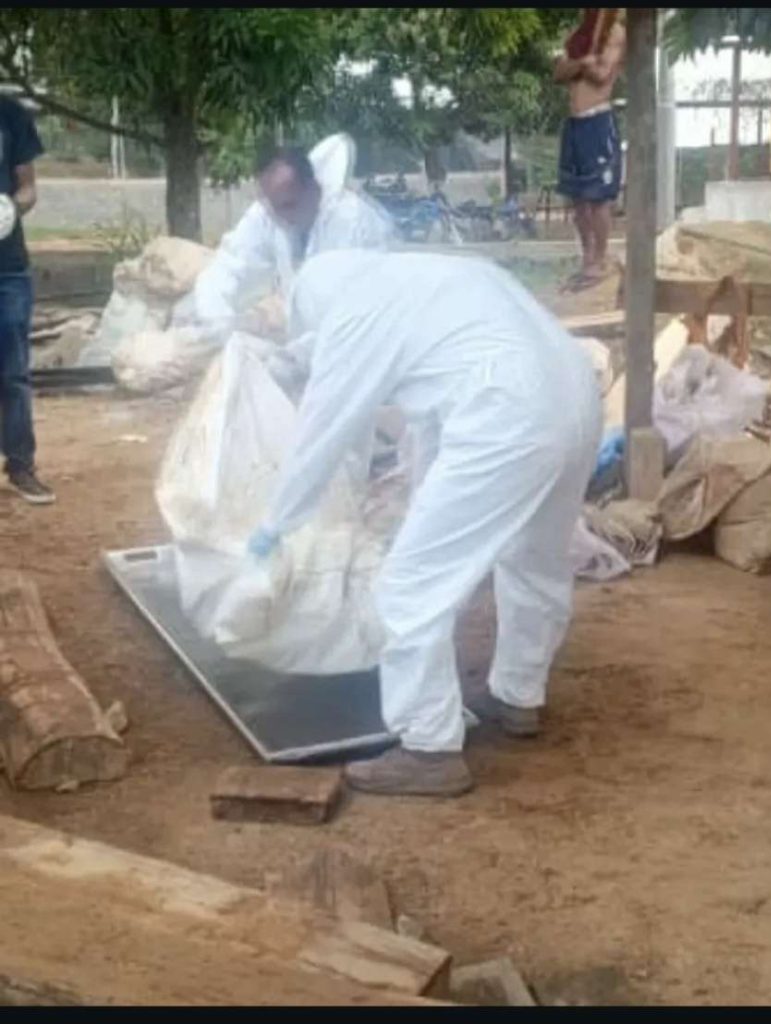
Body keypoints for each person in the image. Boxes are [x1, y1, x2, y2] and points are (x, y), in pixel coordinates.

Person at [246, 251, 603, 797]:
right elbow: (437, 423)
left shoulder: (358, 313)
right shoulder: (432, 279)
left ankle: (428, 748)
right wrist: (424, 510)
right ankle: (519, 694)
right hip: (575, 396)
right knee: (536, 559)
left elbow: (323, 434)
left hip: (505, 409)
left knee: (410, 588)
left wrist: (274, 525)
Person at [191, 135, 395, 336]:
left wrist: (273, 328)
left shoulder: (353, 221)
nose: (282, 216)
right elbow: (227, 268)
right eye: (274, 206)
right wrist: (218, 325)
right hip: (305, 342)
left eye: (289, 205)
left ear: (313, 188)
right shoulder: (270, 211)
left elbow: (344, 310)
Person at [554, 9, 626, 293]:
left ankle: (600, 259)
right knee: (578, 198)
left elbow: (601, 74)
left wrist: (578, 63)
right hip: (574, 125)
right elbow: (558, 73)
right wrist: (583, 60)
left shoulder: (616, 33)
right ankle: (587, 259)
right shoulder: (579, 35)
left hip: (597, 121)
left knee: (598, 199)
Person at [0, 95, 50, 505]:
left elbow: (29, 187)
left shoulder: (10, 114)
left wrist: (12, 207)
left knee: (14, 373)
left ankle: (20, 465)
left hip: (8, 269)